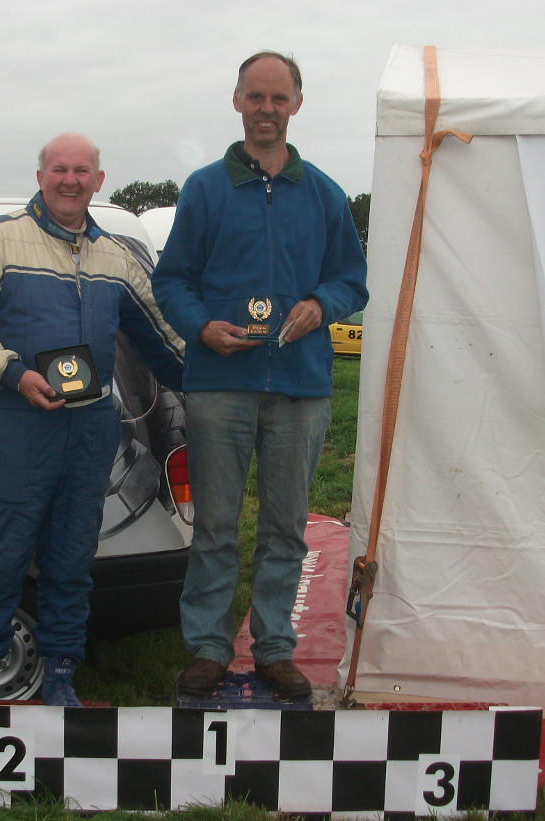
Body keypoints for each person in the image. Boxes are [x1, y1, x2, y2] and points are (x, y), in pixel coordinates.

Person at [0, 133, 183, 707]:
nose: (70, 180)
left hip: (89, 428)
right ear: (41, 175)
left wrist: (221, 374)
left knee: (73, 556)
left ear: (99, 180)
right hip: (14, 424)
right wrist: (14, 373)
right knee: (3, 553)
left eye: (82, 171)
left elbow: (164, 341)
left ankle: (61, 675)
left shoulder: (115, 257)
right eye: (59, 169)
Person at [152, 52, 368, 699]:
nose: (266, 108)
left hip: (301, 385)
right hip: (220, 384)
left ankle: (274, 645)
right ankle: (210, 647)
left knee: (284, 526)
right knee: (216, 526)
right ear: (238, 101)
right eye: (256, 96)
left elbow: (352, 278)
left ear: (296, 104)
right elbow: (171, 280)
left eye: (279, 97)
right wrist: (201, 326)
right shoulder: (204, 190)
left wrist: (321, 304)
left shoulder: (325, 194)